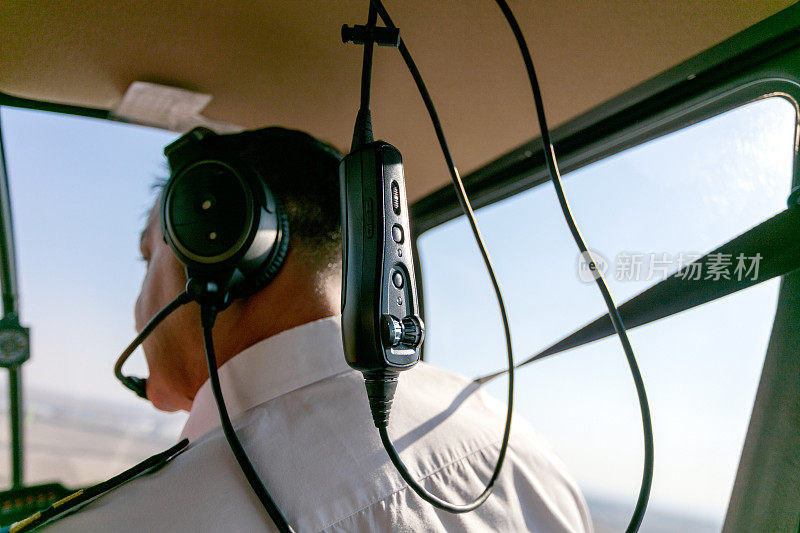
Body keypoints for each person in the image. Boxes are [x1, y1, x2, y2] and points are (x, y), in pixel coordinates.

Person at [44, 127, 593, 532]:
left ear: (215, 244)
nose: (138, 304)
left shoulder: (129, 523)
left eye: (148, 258)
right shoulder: (509, 439)